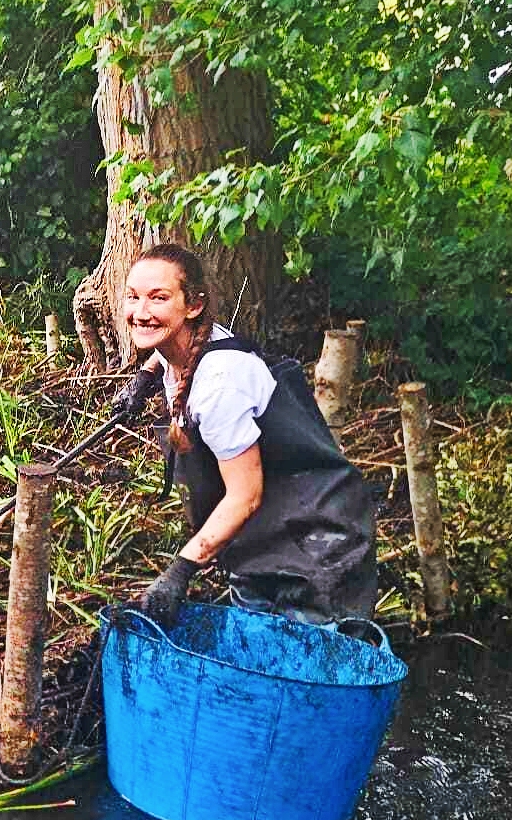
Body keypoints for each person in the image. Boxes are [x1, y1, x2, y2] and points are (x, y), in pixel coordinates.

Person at [116, 243, 376, 627]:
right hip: (258, 544)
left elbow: (245, 495)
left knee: (302, 677)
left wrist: (181, 570)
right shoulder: (187, 345)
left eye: (158, 298)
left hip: (317, 547)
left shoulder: (220, 384)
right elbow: (159, 340)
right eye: (133, 297)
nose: (140, 312)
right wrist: (146, 377)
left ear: (194, 306)